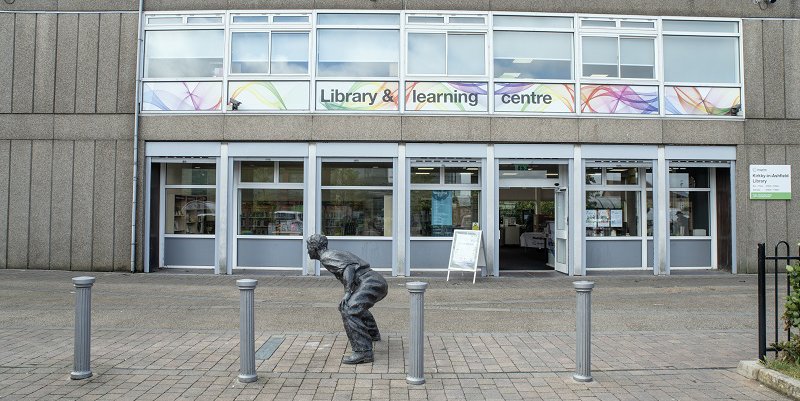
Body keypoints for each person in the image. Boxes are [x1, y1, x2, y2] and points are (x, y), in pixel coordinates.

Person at [306, 234, 388, 364]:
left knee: (349, 309)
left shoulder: (326, 256)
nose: (307, 251)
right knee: (355, 306)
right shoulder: (332, 253)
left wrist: (348, 292)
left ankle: (363, 352)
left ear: (314, 247)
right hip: (374, 280)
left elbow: (348, 268)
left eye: (308, 247)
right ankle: (372, 334)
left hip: (370, 281)